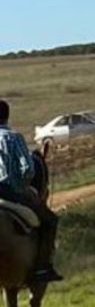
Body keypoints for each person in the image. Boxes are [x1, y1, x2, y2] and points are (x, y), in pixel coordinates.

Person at [0, 100, 61, 282]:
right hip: (11, 192)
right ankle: (43, 267)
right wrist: (23, 186)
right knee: (50, 221)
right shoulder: (13, 137)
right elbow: (28, 169)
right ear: (6, 116)